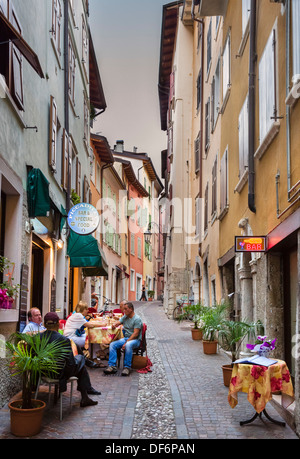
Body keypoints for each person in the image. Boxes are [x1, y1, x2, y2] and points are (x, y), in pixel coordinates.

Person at [40, 312, 101, 407]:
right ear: (58, 324)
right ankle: (85, 396)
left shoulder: (36, 338)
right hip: (59, 374)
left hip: (43, 372)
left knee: (80, 362)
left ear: (44, 324)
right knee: (81, 361)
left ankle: (86, 395)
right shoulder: (63, 340)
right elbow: (70, 363)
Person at [104, 302, 143, 376]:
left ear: (131, 309)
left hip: (135, 340)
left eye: (126, 309)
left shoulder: (137, 319)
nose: (124, 311)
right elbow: (119, 322)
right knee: (112, 344)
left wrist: (126, 342)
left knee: (128, 345)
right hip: (126, 338)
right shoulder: (125, 316)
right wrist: (114, 325)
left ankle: (127, 367)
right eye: (124, 309)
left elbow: (135, 334)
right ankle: (112, 366)